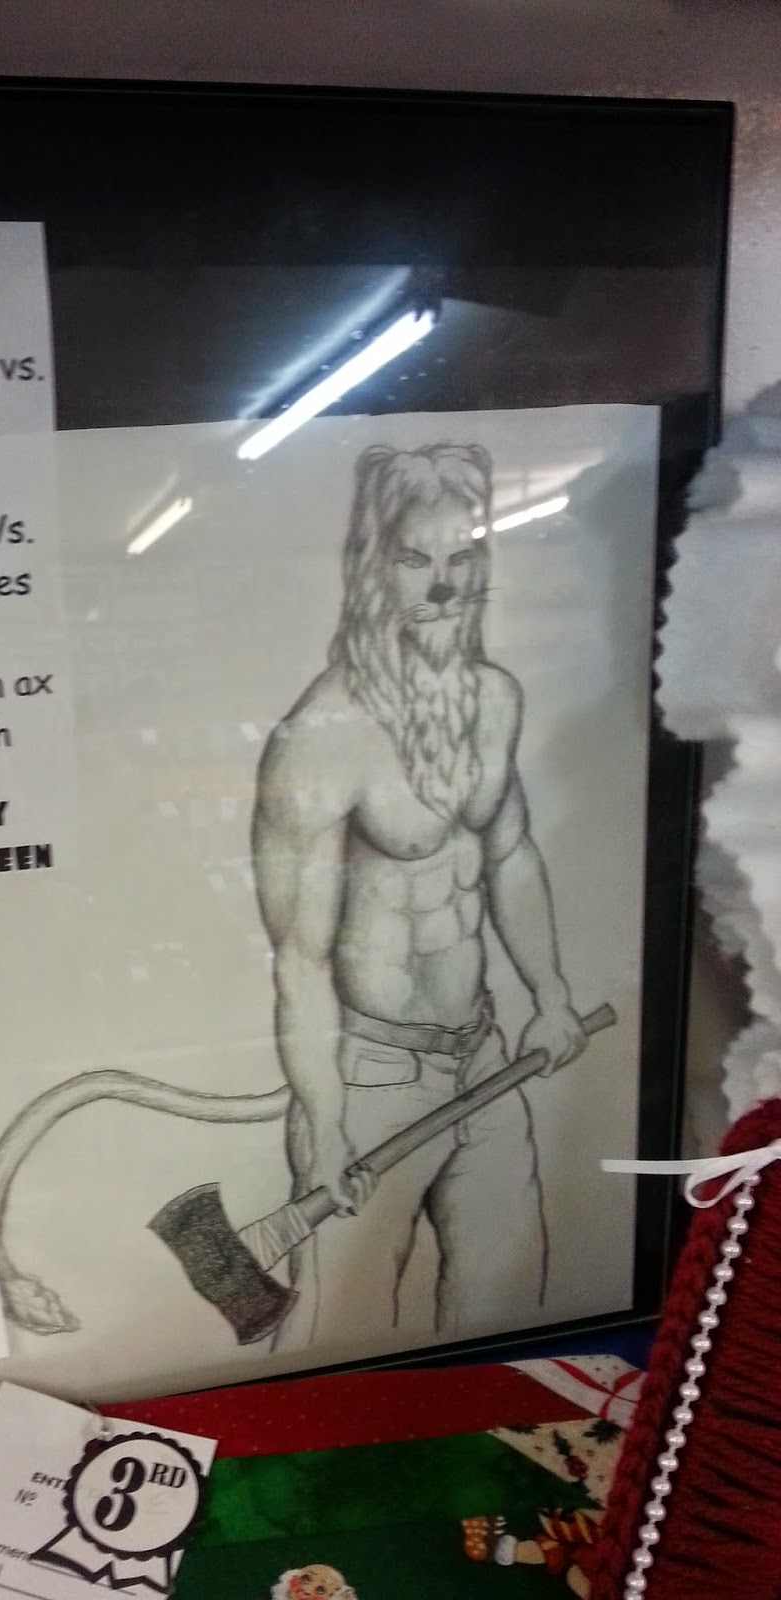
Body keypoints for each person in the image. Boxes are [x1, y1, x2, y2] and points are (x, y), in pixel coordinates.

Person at [251, 442, 587, 1349]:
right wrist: (325, 1126)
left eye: (461, 558)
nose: (442, 586)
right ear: (374, 567)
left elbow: (510, 854)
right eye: (414, 560)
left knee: (512, 1316)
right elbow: (299, 958)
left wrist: (551, 996)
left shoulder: (495, 699)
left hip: (484, 1060)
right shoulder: (326, 732)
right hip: (371, 1082)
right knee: (339, 1341)